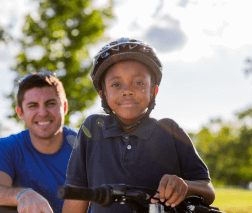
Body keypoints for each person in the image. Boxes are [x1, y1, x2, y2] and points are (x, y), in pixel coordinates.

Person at [62, 38, 216, 213]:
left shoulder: (170, 130)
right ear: (102, 94)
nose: (127, 90)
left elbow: (207, 190)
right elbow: (77, 194)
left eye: (139, 83)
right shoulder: (92, 128)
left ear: (153, 91)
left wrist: (185, 186)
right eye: (116, 84)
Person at [0, 71, 82, 213]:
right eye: (33, 106)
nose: (43, 113)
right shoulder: (5, 148)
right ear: (20, 112)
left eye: (50, 103)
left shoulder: (87, 146)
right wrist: (22, 194)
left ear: (65, 107)